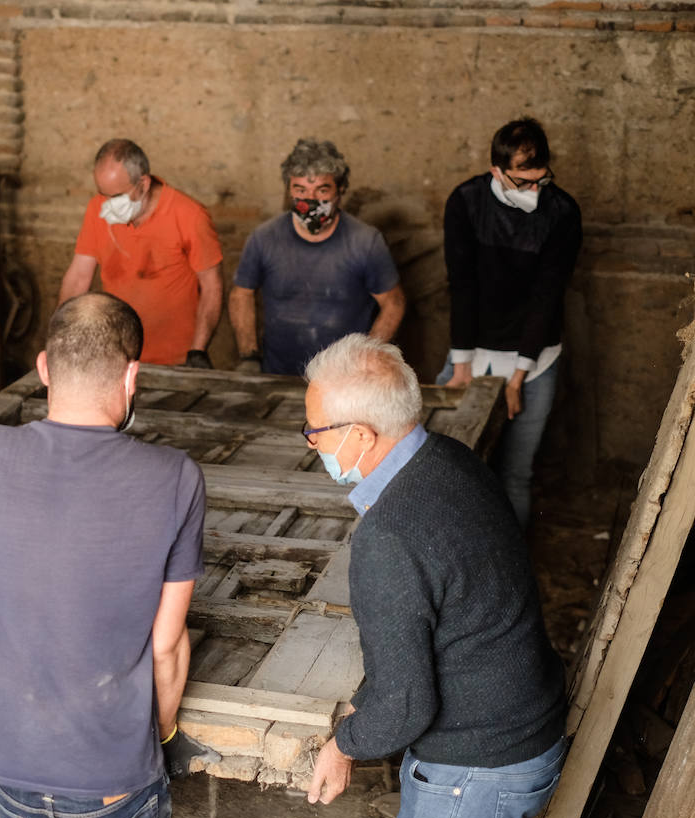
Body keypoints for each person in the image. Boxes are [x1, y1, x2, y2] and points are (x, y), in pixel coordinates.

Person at [0, 292, 218, 818]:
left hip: (8, 758)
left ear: (44, 368)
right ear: (131, 376)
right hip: (110, 776)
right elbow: (167, 646)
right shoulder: (175, 477)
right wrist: (162, 737)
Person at [300, 334, 567, 818]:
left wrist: (344, 746)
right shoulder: (449, 459)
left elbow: (404, 707)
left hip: (477, 767)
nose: (312, 442)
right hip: (522, 724)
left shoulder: (389, 537)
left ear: (362, 436)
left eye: (315, 432)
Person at [438, 117, 582, 525]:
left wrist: (518, 378)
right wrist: (462, 366)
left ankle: (510, 566)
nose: (534, 189)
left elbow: (547, 297)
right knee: (449, 462)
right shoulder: (465, 202)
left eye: (541, 178)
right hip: (475, 347)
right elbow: (461, 284)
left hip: (534, 355)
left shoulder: (562, 212)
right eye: (522, 181)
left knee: (515, 473)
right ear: (496, 172)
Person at [229, 138, 406, 376]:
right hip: (278, 374)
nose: (310, 200)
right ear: (288, 190)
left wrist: (366, 358)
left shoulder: (365, 241)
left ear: (340, 190)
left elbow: (393, 303)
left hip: (343, 379)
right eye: (300, 190)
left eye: (321, 190)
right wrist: (248, 356)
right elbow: (242, 293)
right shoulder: (264, 238)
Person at [58, 139, 224, 368]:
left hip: (176, 361)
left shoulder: (189, 216)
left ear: (143, 184)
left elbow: (212, 286)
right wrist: (60, 337)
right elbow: (78, 278)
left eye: (116, 197)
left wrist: (198, 351)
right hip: (117, 359)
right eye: (102, 194)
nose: (107, 205)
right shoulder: (97, 210)